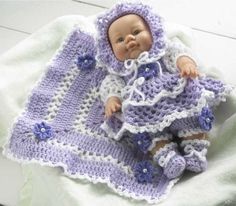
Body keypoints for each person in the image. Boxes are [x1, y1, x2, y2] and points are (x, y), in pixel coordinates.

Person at [96, 1, 232, 182]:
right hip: (143, 109)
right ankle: (168, 157)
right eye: (119, 40)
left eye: (136, 32)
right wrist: (112, 100)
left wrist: (185, 63)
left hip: (175, 96)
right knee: (149, 135)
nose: (129, 39)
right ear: (110, 51)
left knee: (190, 117)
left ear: (152, 31)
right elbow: (110, 85)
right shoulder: (120, 71)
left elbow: (178, 54)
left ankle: (195, 150)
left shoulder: (162, 51)